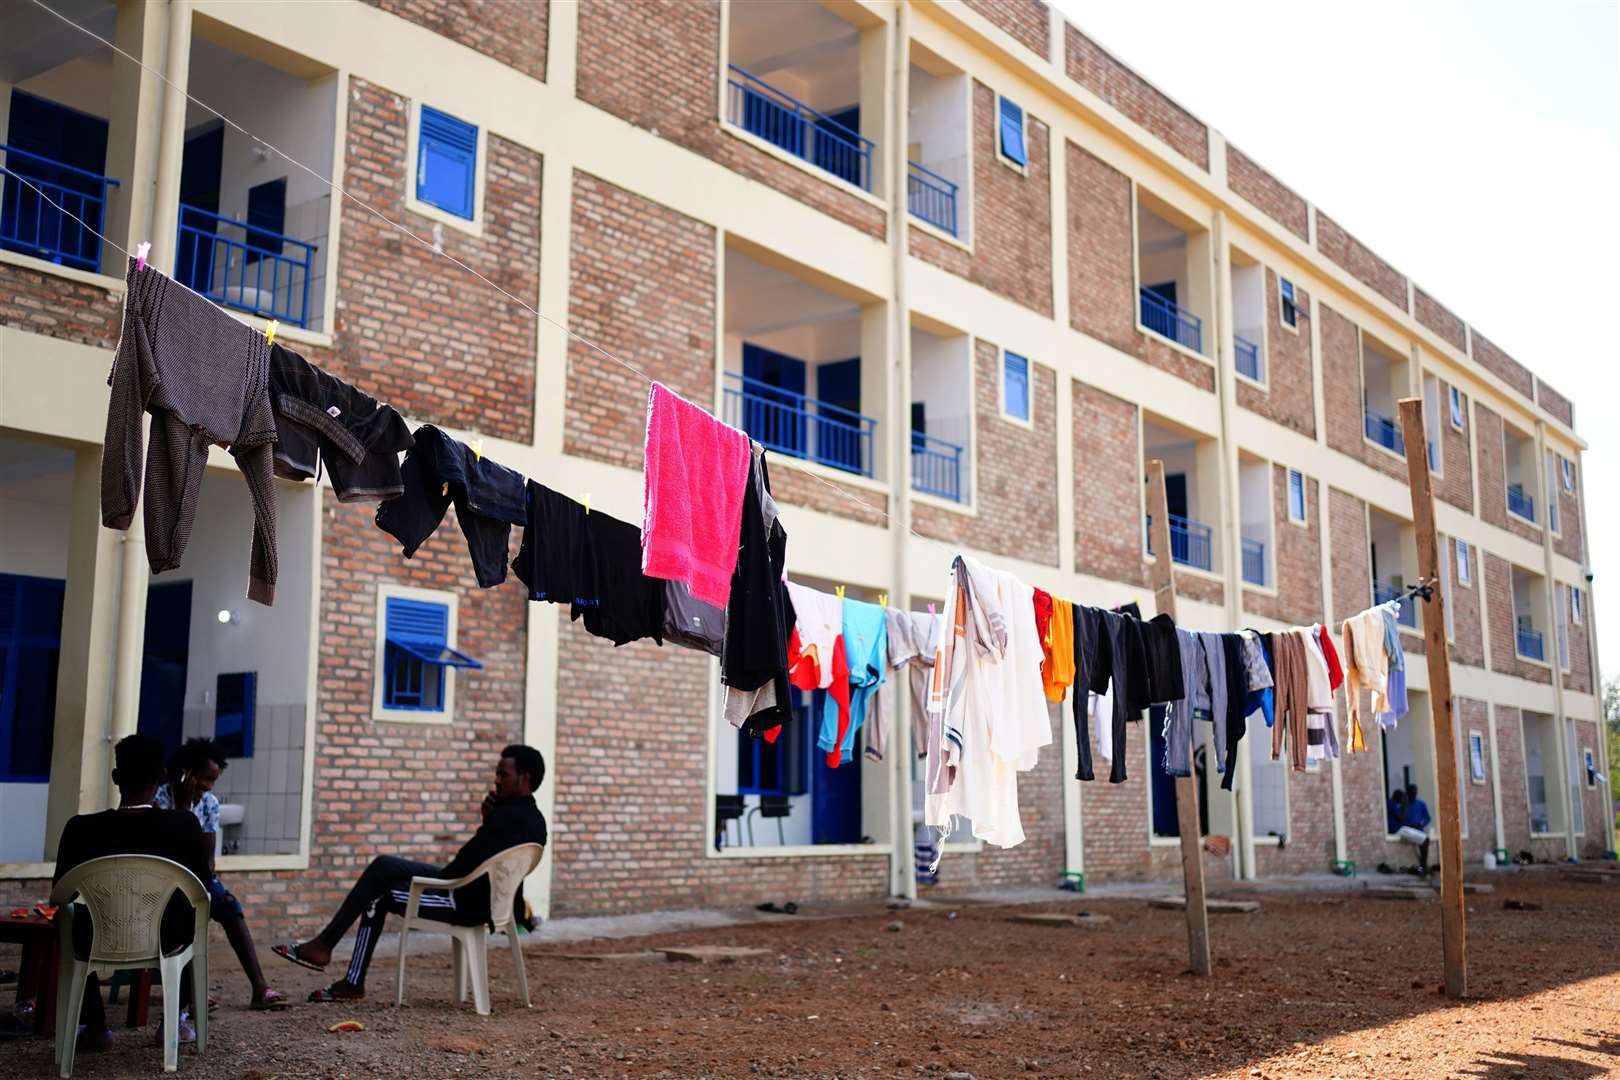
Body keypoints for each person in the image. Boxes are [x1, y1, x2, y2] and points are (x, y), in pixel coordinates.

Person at [273, 745, 547, 1002]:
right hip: (483, 897)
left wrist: (487, 821)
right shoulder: (534, 820)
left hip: (464, 902)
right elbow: (485, 860)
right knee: (384, 866)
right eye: (497, 773)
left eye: (503, 775)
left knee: (379, 895)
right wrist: (489, 821)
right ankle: (324, 945)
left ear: (525, 779)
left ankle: (350, 979)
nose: (497, 780)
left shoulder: (505, 818)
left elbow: (461, 867)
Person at [52, 734, 212, 1054]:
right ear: (163, 777)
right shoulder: (184, 823)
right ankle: (174, 1021)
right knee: (196, 914)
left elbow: (59, 897)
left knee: (65, 920)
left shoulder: (79, 828)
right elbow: (203, 885)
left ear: (115, 778)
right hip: (166, 935)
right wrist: (181, 809)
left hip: (97, 935)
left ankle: (95, 1026)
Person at [155, 737, 284, 1009]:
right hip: (162, 882)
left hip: (197, 877)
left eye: (214, 781)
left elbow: (208, 859)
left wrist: (209, 883)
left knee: (229, 906)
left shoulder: (210, 804)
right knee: (186, 912)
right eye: (205, 779)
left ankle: (260, 989)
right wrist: (182, 810)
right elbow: (162, 852)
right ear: (185, 773)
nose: (209, 787)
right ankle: (192, 996)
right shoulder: (159, 799)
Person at [1397, 782, 1433, 873]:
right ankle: (1423, 865)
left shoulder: (1421, 804)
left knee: (1425, 841)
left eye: (1415, 792)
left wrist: (1421, 823)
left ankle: (1423, 865)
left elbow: (1427, 818)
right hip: (1408, 830)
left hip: (1418, 829)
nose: (1413, 794)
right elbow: (1401, 820)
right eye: (1411, 792)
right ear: (1408, 793)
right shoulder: (1404, 805)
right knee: (1425, 840)